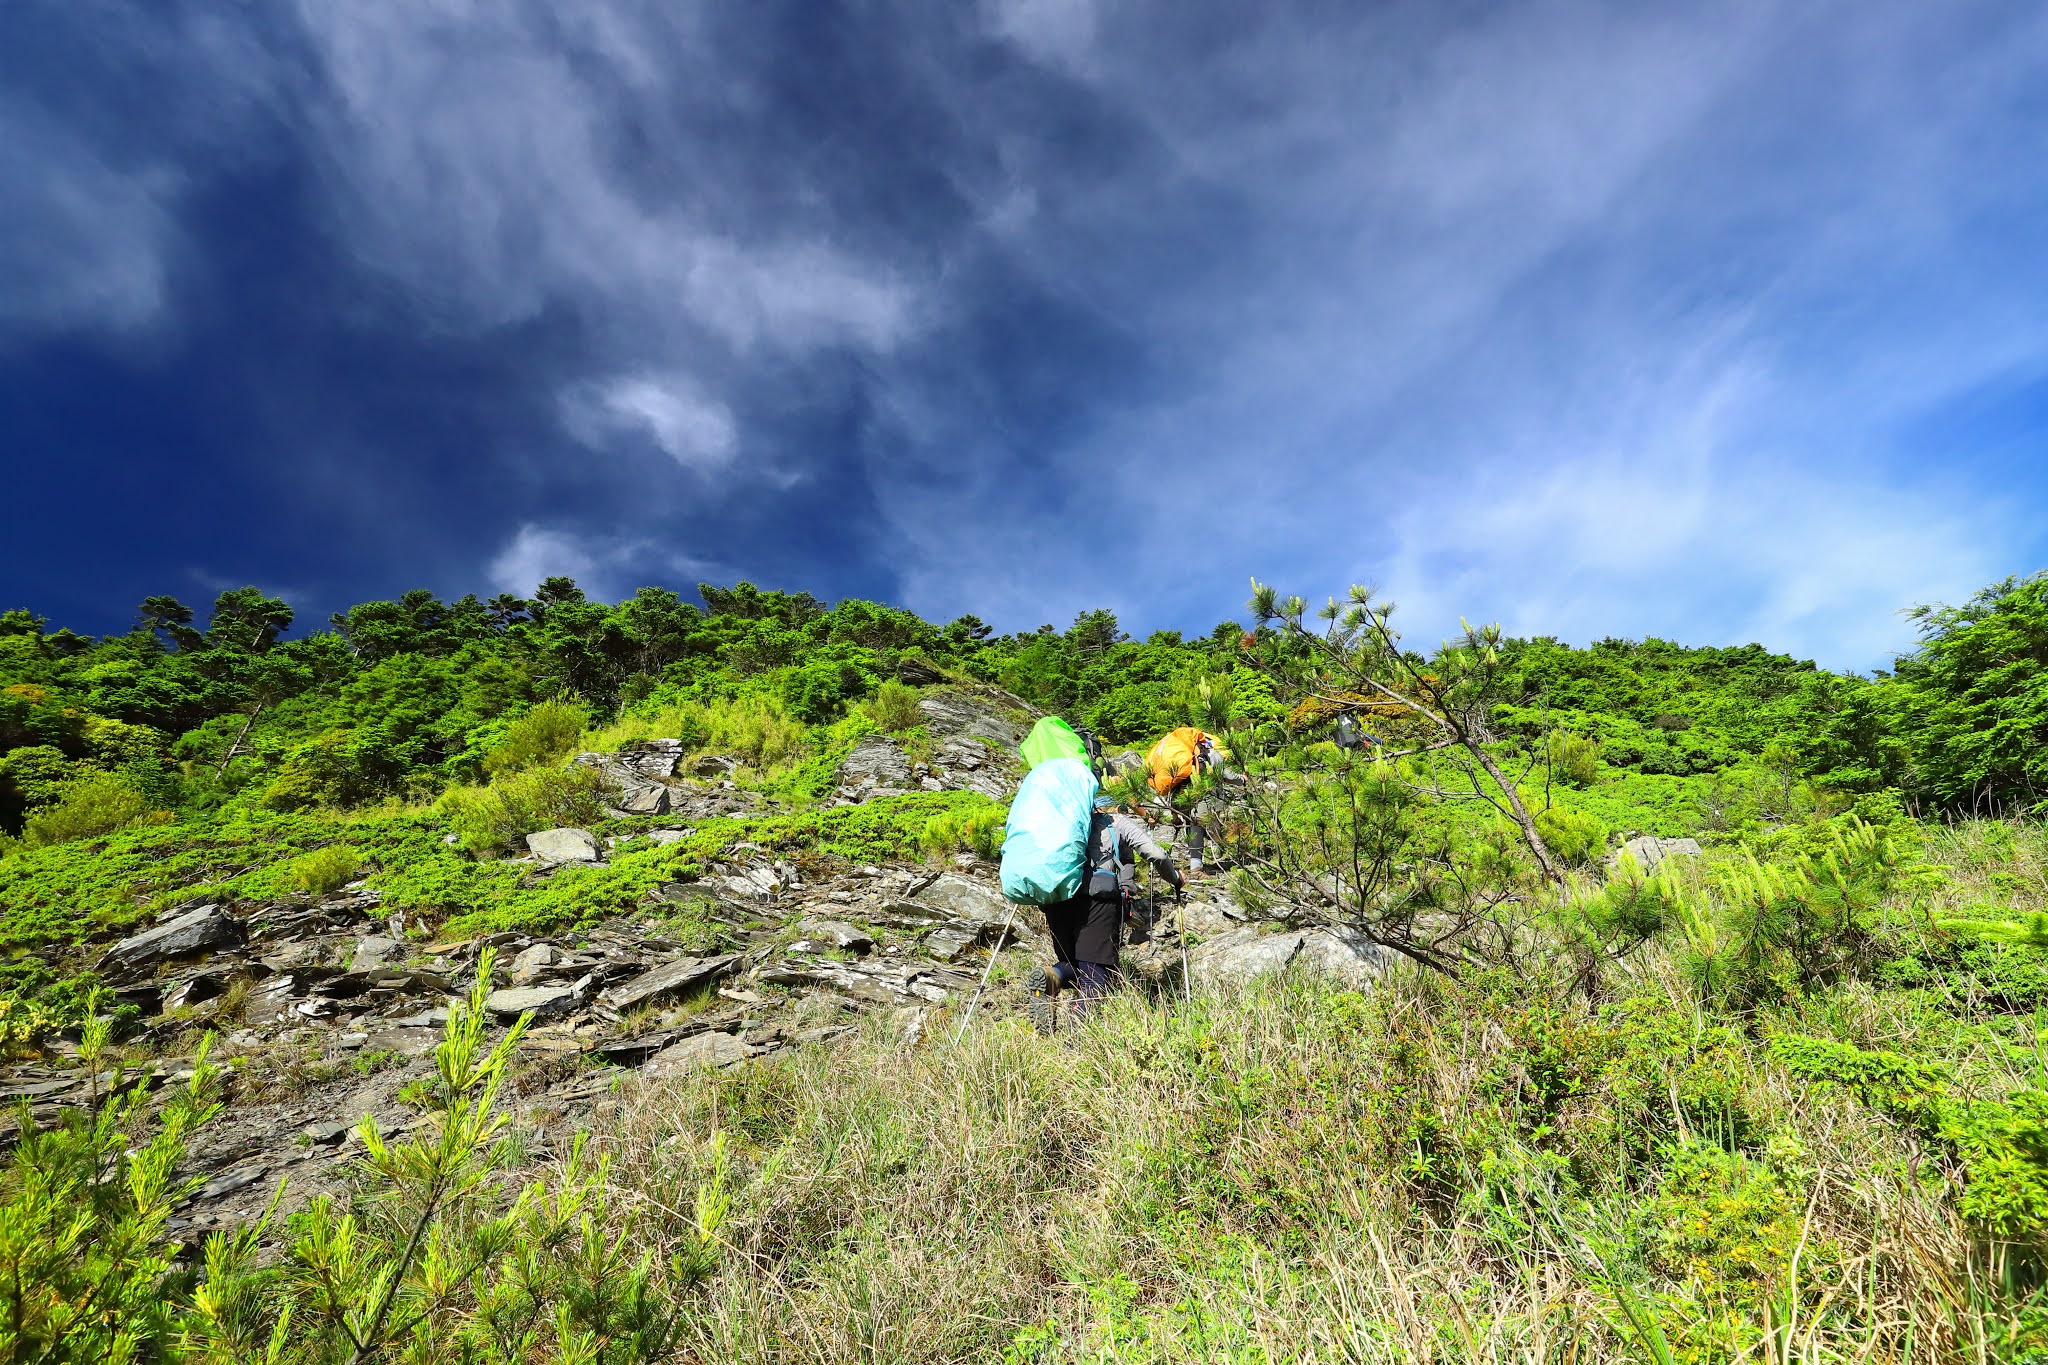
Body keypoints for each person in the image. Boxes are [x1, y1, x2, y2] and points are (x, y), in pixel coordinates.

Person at [1030, 794, 1182, 1033]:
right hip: (1096, 903)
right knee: (1096, 975)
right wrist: (1176, 878)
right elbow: (1157, 854)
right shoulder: (1116, 822)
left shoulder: (1058, 823)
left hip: (1056, 901)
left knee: (1076, 965)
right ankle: (1078, 1039)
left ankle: (1052, 976)